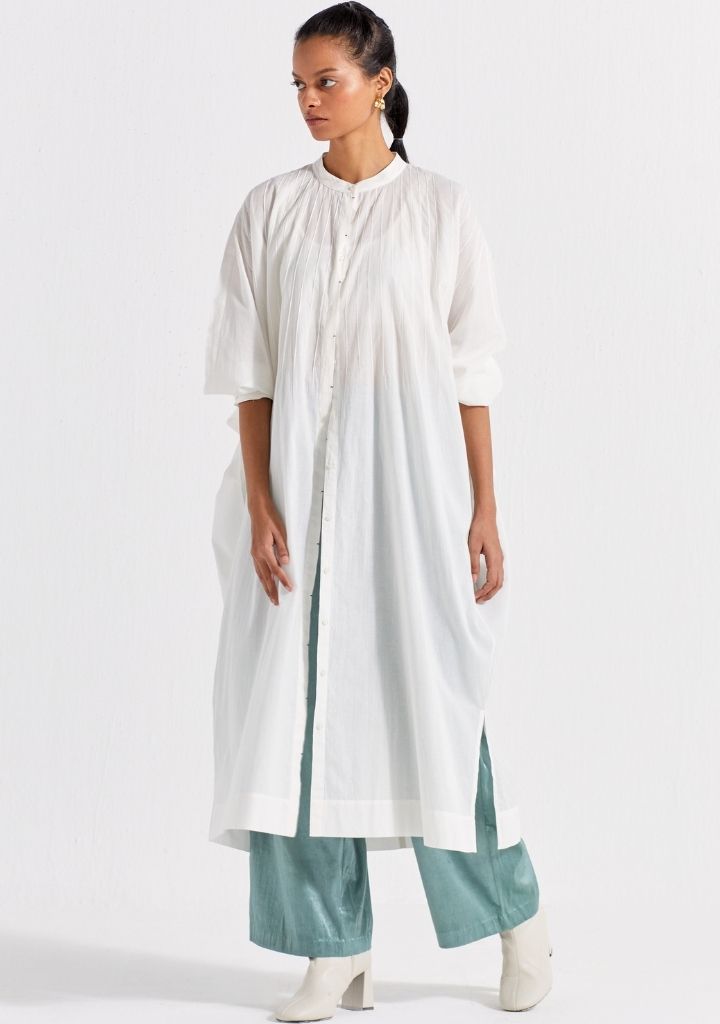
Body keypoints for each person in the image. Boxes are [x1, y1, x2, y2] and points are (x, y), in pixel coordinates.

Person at [203, 2, 553, 1017]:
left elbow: (471, 371)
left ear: (380, 82)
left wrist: (485, 509)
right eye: (299, 85)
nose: (310, 101)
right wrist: (261, 502)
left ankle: (518, 922)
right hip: (296, 510)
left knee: (437, 711)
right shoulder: (271, 210)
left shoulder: (439, 209)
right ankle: (333, 947)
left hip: (411, 498)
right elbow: (250, 374)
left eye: (329, 81)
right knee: (299, 719)